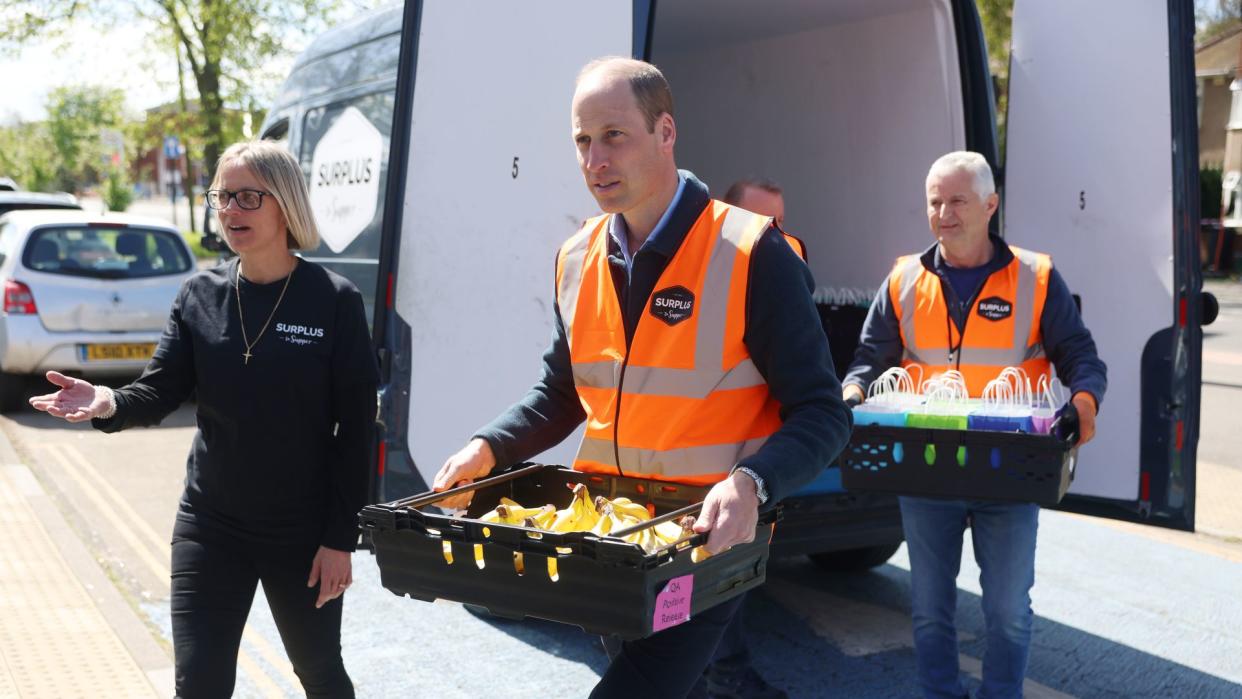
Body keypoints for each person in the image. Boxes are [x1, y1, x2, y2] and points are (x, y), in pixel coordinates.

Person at [432, 57, 852, 699]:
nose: (595, 159)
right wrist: (487, 446)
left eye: (614, 135)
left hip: (706, 541)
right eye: (582, 140)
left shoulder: (752, 252)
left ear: (666, 132)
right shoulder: (576, 256)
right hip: (609, 540)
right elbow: (562, 390)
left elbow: (823, 413)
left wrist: (753, 484)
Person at [30, 141, 378, 698]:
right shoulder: (199, 293)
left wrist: (341, 538)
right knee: (199, 686)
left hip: (302, 532)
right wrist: (107, 401)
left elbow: (358, 430)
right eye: (222, 197)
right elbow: (161, 388)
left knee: (319, 674)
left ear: (284, 204)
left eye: (247, 197)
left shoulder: (333, 301)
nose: (231, 211)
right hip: (210, 524)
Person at [843, 151, 1107, 699]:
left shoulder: (1035, 277)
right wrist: (854, 394)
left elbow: (1080, 355)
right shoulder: (904, 279)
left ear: (990, 205)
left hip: (1008, 467)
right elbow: (870, 358)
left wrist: (1082, 404)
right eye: (935, 201)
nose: (944, 213)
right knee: (929, 610)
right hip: (925, 467)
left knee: (1009, 611)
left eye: (957, 200)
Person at [690, 177, 800, 699]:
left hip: (749, 473)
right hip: (695, 474)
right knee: (712, 591)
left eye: (781, 221)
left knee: (726, 588)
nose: (775, 233)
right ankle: (728, 679)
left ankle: (727, 676)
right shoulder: (705, 274)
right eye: (764, 220)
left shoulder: (780, 269)